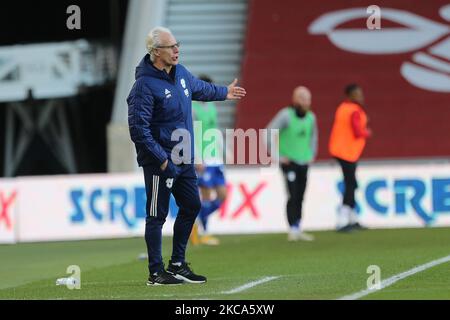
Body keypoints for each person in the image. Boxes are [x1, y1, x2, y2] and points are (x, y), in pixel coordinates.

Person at [127, 27, 246, 285]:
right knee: (156, 215)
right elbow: (138, 129)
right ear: (156, 52)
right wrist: (162, 159)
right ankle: (156, 272)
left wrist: (224, 92)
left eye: (177, 44)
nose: (177, 49)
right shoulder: (144, 86)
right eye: (171, 46)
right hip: (161, 163)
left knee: (192, 205)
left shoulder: (180, 73)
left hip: (184, 158)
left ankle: (178, 264)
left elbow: (200, 88)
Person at [266, 86, 318, 241]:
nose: (307, 102)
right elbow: (268, 132)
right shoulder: (285, 115)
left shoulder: (311, 118)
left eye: (308, 98)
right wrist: (277, 156)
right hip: (289, 162)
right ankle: (293, 228)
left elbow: (313, 137)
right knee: (292, 193)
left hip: (303, 162)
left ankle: (298, 226)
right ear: (295, 99)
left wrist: (312, 154)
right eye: (303, 98)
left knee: (301, 194)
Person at [190, 75, 227, 246]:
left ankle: (196, 223)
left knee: (222, 195)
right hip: (202, 158)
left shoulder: (212, 107)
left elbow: (216, 130)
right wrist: (196, 158)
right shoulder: (192, 108)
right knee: (205, 195)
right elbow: (191, 134)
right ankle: (204, 232)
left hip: (216, 158)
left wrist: (225, 152)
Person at [329, 84, 372, 232]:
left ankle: (353, 218)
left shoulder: (343, 108)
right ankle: (342, 220)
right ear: (351, 95)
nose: (361, 96)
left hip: (342, 150)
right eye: (358, 94)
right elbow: (358, 131)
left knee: (351, 184)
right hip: (347, 152)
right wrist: (367, 132)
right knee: (350, 185)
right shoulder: (354, 110)